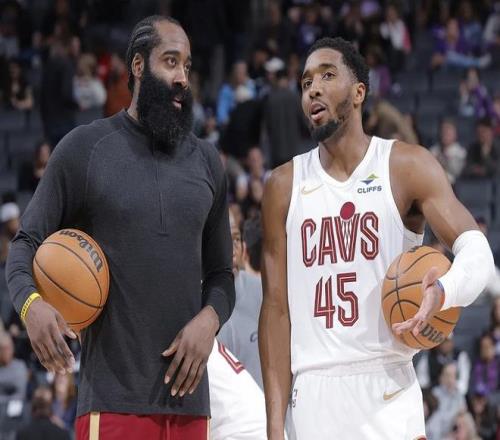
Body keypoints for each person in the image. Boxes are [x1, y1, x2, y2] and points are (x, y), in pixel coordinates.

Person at [6, 15, 235, 440]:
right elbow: (24, 244)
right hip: (112, 403)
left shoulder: (207, 162)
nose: (182, 78)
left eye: (187, 66)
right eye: (170, 61)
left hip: (191, 407)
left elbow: (222, 276)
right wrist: (31, 306)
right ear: (138, 66)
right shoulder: (85, 149)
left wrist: (210, 319)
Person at [259, 37, 494, 440]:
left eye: (327, 76)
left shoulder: (405, 166)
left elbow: (477, 251)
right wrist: (273, 427)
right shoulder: (282, 186)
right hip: (313, 395)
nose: (313, 89)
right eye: (306, 82)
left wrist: (445, 289)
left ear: (359, 92)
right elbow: (276, 310)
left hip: (388, 389)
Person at [218, 212, 263, 389]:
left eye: (235, 239)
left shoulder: (262, 292)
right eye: (222, 240)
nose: (231, 249)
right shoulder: (192, 305)